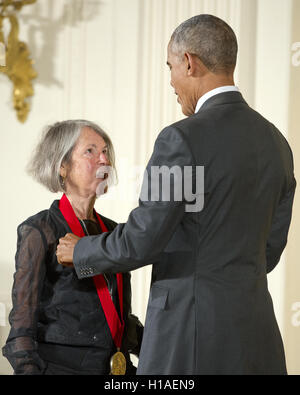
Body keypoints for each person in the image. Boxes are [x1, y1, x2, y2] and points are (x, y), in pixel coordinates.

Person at [57, 15, 296, 374]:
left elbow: (143, 239)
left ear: (189, 62)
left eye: (170, 67)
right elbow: (270, 251)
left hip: (190, 337)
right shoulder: (277, 143)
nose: (170, 80)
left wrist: (82, 251)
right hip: (257, 337)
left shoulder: (180, 140)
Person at [2, 120, 143, 375]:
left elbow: (115, 317)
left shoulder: (115, 232)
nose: (104, 159)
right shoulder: (40, 230)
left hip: (118, 372)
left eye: (105, 151)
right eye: (90, 151)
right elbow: (21, 331)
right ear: (63, 166)